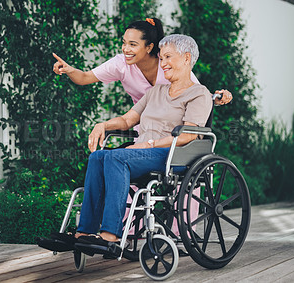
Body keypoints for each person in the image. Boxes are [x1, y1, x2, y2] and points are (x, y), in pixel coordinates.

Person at [50, 34, 213, 254]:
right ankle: (85, 233)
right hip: (142, 153)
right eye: (161, 57)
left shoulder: (198, 93)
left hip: (170, 154)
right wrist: (103, 125)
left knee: (117, 157)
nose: (162, 63)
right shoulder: (155, 92)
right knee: (98, 156)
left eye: (168, 57)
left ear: (186, 58)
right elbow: (128, 120)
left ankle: (110, 235)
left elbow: (188, 135)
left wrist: (149, 145)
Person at [52, 18, 233, 105]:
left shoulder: (169, 65)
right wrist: (68, 70)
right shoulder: (121, 64)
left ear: (149, 47)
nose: (125, 49)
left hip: (175, 130)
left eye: (132, 45)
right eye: (124, 43)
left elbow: (200, 95)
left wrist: (218, 97)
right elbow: (84, 77)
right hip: (145, 128)